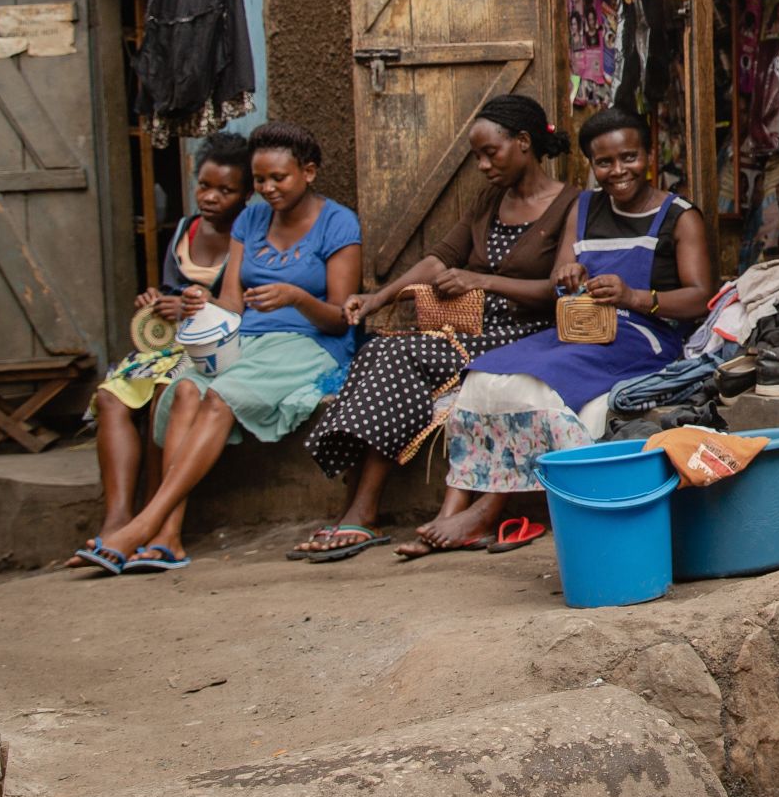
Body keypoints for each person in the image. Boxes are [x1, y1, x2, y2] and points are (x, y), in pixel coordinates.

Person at [413, 107, 715, 557]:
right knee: (484, 376)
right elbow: (559, 277)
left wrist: (635, 296)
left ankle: (488, 511)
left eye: (629, 158)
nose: (617, 171)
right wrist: (569, 273)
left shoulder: (679, 216)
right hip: (579, 329)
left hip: (644, 335)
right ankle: (452, 506)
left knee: (540, 386)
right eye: (604, 162)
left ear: (650, 155)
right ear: (591, 165)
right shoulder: (585, 206)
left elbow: (699, 296)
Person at [290, 95, 578, 561]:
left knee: (395, 357)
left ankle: (361, 511)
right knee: (383, 352)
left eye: (491, 153)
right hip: (472, 333)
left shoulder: (571, 204)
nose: (483, 165)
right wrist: (379, 297)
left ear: (524, 143)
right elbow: (439, 258)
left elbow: (556, 290)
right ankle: (361, 509)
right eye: (477, 156)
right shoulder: (490, 201)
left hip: (531, 336)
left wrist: (481, 279)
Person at [81, 121, 362, 574]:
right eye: (259, 179)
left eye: (279, 178)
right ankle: (169, 537)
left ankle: (144, 524)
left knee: (219, 394)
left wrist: (296, 297)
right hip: (246, 341)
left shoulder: (338, 222)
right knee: (185, 390)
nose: (267, 189)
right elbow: (231, 305)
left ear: (309, 172)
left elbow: (340, 317)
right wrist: (202, 303)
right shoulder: (250, 220)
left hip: (309, 344)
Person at [67, 132, 252, 572]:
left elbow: (232, 304)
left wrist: (193, 303)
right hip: (166, 343)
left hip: (208, 345)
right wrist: (157, 302)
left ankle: (156, 516)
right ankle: (116, 518)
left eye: (225, 191)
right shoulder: (185, 231)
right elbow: (170, 291)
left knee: (162, 395)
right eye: (204, 186)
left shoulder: (247, 236)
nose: (210, 197)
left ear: (245, 194)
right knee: (112, 395)